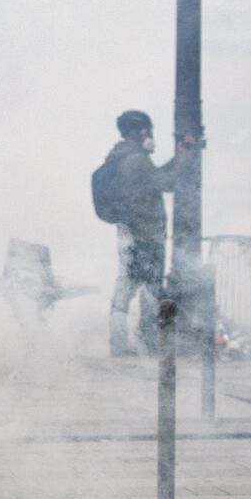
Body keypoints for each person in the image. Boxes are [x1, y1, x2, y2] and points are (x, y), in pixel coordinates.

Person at [99, 110, 193, 356]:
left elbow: (157, 177)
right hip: (145, 235)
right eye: (146, 131)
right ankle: (150, 343)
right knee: (150, 290)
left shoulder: (122, 157)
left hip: (130, 235)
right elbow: (166, 183)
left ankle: (121, 343)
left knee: (127, 287)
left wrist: (177, 157)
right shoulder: (136, 160)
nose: (149, 135)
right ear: (133, 132)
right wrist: (185, 157)